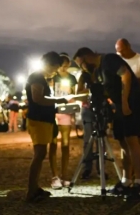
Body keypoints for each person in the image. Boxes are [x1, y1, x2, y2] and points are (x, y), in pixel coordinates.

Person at [73, 47, 140, 201]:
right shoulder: (98, 71)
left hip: (131, 101)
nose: (82, 68)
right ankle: (126, 180)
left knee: (132, 140)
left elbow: (126, 75)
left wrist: (125, 101)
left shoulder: (109, 59)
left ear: (87, 57)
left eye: (81, 64)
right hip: (119, 105)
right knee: (123, 141)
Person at [25, 52, 75, 203]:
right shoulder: (37, 77)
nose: (55, 71)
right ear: (49, 64)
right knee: (39, 154)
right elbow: (37, 98)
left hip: (43, 120)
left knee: (40, 154)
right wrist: (58, 100)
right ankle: (31, 190)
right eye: (55, 68)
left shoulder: (41, 78)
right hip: (38, 120)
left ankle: (35, 188)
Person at [115, 38, 140, 159]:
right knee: (125, 136)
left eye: (122, 50)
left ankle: (139, 164)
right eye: (118, 52)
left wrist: (130, 81)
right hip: (123, 101)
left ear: (129, 46)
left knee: (139, 135)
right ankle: (129, 167)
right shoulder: (118, 61)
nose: (120, 54)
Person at [49, 53, 78, 189]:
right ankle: (55, 176)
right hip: (54, 112)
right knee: (53, 144)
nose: (64, 69)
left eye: (66, 66)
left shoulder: (72, 78)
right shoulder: (53, 77)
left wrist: (72, 98)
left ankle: (64, 175)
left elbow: (74, 93)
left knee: (65, 145)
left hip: (66, 111)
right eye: (62, 66)